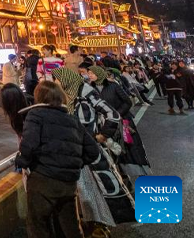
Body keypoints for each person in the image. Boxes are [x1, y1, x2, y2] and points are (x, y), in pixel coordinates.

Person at [53, 67, 136, 229]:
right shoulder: (69, 95)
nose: (56, 82)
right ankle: (92, 223)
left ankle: (101, 224)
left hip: (89, 150)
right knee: (84, 191)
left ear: (66, 79)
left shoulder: (85, 92)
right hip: (75, 151)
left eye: (57, 79)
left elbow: (112, 114)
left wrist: (103, 135)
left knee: (96, 189)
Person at [16, 81, 100, 238]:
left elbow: (29, 145)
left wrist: (22, 162)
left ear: (39, 97)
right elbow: (93, 151)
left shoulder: (35, 115)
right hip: (69, 184)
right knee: (71, 227)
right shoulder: (73, 120)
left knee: (38, 225)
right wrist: (75, 164)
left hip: (44, 180)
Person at [88, 66, 151, 179]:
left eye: (92, 73)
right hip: (104, 124)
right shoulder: (90, 90)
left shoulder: (113, 86)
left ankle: (141, 173)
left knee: (129, 147)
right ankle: (122, 175)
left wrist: (116, 114)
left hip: (122, 121)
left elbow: (127, 102)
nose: (89, 75)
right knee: (112, 149)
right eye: (89, 73)